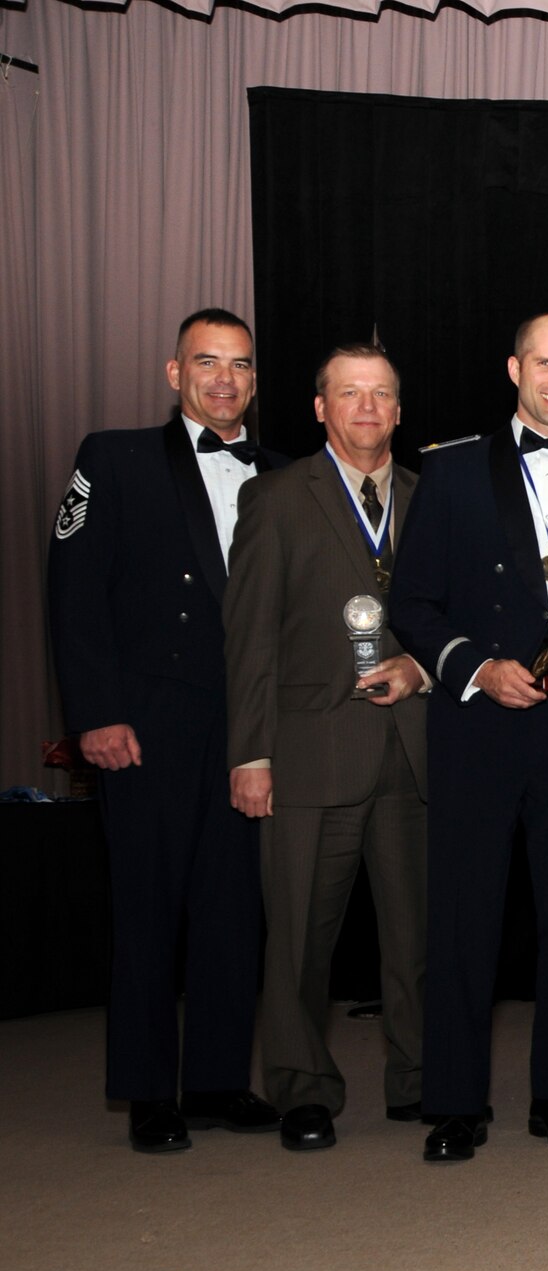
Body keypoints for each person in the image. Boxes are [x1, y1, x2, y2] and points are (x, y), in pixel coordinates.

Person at [387, 313, 548, 1161]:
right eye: (545, 364)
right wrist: (476, 667)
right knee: (464, 918)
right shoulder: (450, 472)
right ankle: (454, 1102)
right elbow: (410, 604)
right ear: (514, 367)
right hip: (479, 727)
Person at [46, 307, 283, 1153]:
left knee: (232, 907)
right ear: (174, 373)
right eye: (207, 362)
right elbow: (74, 595)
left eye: (241, 365)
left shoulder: (282, 473)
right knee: (147, 905)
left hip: (249, 721)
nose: (225, 378)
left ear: (256, 380)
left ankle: (218, 1080)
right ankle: (148, 1090)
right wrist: (94, 714)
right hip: (146, 721)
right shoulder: (113, 458)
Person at [222, 343, 429, 1152]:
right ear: (320, 407)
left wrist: (421, 669)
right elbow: (250, 640)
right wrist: (251, 754)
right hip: (308, 755)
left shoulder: (425, 496)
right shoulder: (274, 499)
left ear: (400, 410)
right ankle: (303, 1087)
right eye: (350, 393)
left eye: (382, 394)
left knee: (416, 938)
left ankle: (418, 1078)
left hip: (411, 754)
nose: (368, 408)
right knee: (301, 937)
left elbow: (445, 619)